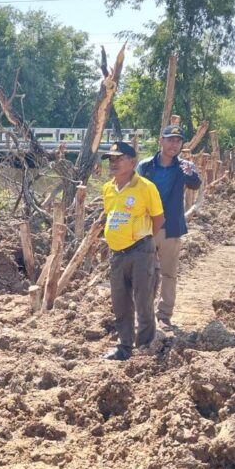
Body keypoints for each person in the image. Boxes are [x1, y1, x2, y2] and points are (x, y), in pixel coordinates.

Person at [101, 140, 165, 361]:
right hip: (117, 254)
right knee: (120, 303)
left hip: (140, 251)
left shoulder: (146, 187)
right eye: (111, 159)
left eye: (119, 158)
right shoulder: (108, 188)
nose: (114, 163)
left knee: (143, 299)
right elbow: (110, 216)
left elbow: (158, 219)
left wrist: (144, 242)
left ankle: (146, 346)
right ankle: (124, 346)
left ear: (132, 161)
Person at [138, 125, 202, 330]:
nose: (174, 144)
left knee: (168, 273)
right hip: (146, 227)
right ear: (161, 141)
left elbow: (195, 184)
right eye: (170, 140)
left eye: (178, 141)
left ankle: (164, 315)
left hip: (170, 227)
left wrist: (191, 174)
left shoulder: (184, 166)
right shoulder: (145, 166)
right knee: (143, 273)